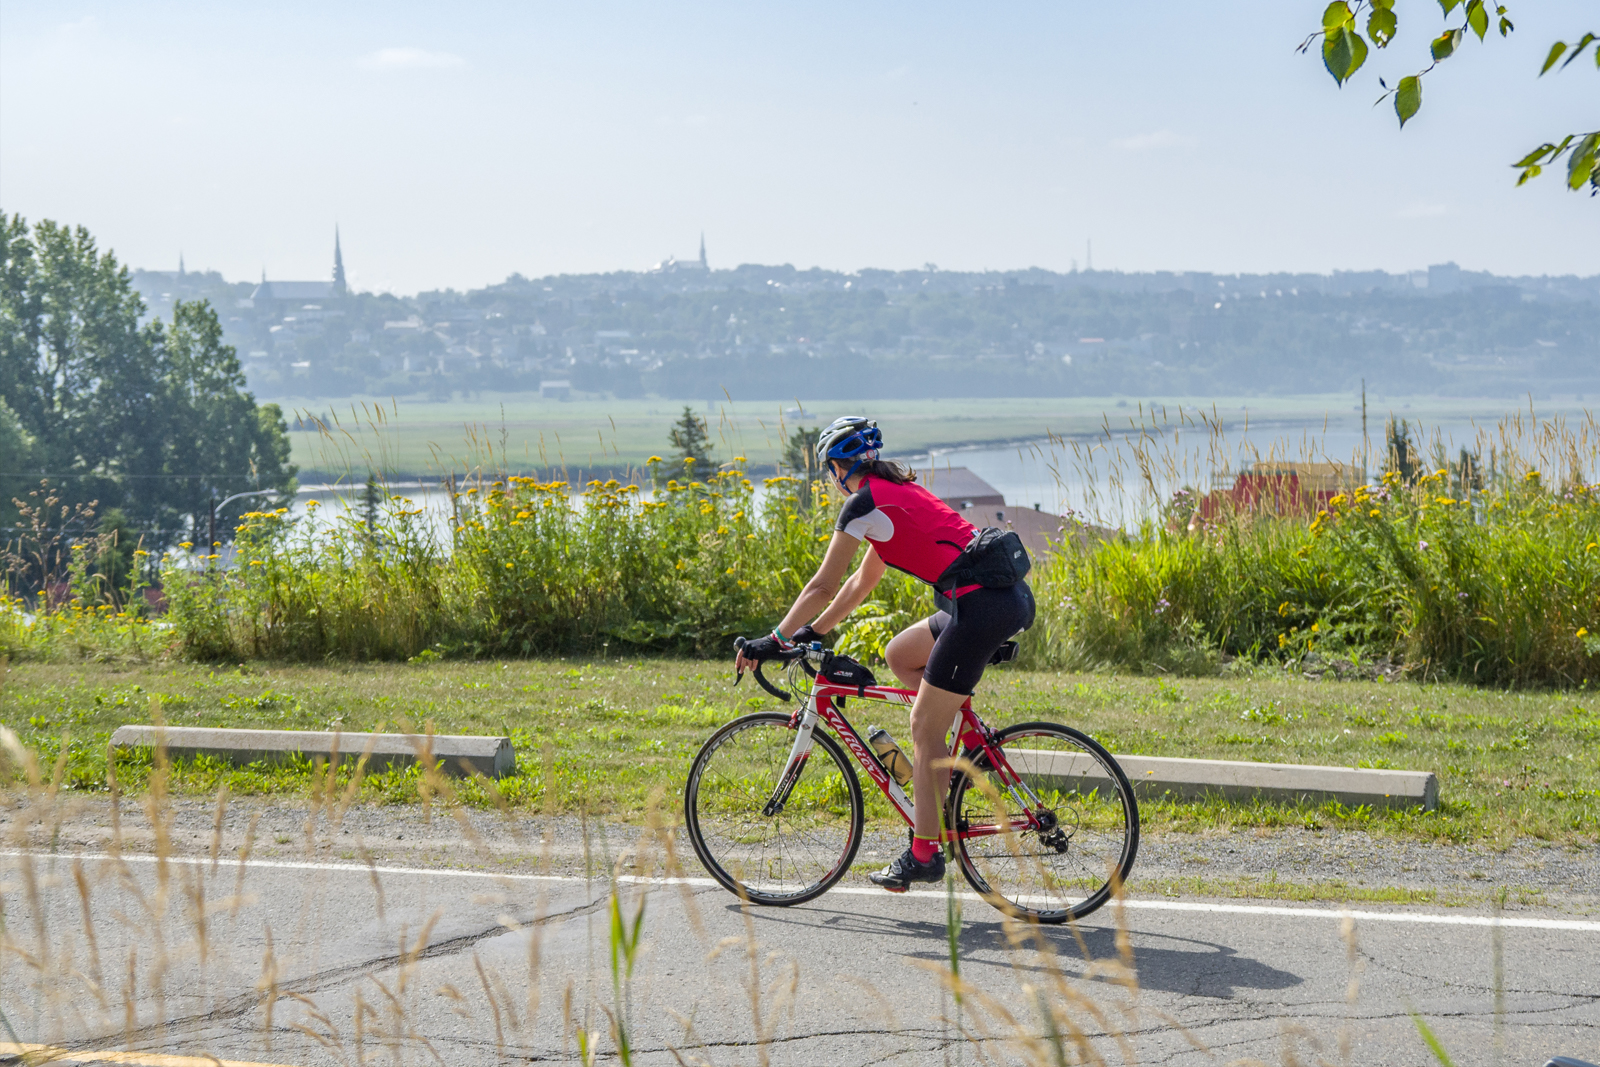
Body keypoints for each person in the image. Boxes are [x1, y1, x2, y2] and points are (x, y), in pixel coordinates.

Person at [735, 416, 1035, 890]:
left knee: (921, 725)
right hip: (995, 599)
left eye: (828, 471)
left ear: (836, 468)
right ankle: (947, 759)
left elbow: (823, 584)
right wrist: (812, 631)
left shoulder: (863, 503)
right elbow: (859, 584)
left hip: (980, 608)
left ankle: (923, 855)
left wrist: (774, 639)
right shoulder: (894, 494)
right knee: (900, 655)